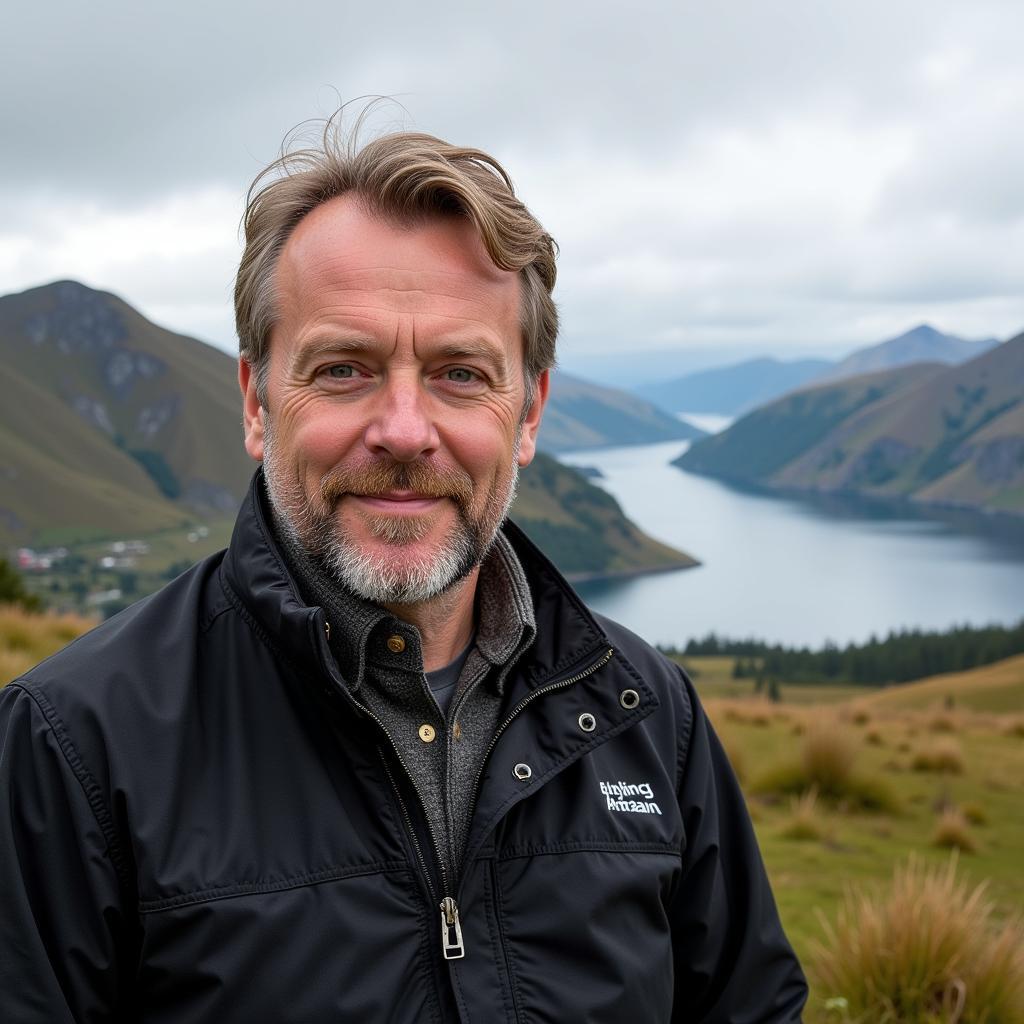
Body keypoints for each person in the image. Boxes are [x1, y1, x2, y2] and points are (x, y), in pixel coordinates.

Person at [0, 120, 807, 1022]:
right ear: (257, 402)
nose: (404, 429)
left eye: (461, 374)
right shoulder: (69, 745)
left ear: (528, 411)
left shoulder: (650, 717)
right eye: (343, 369)